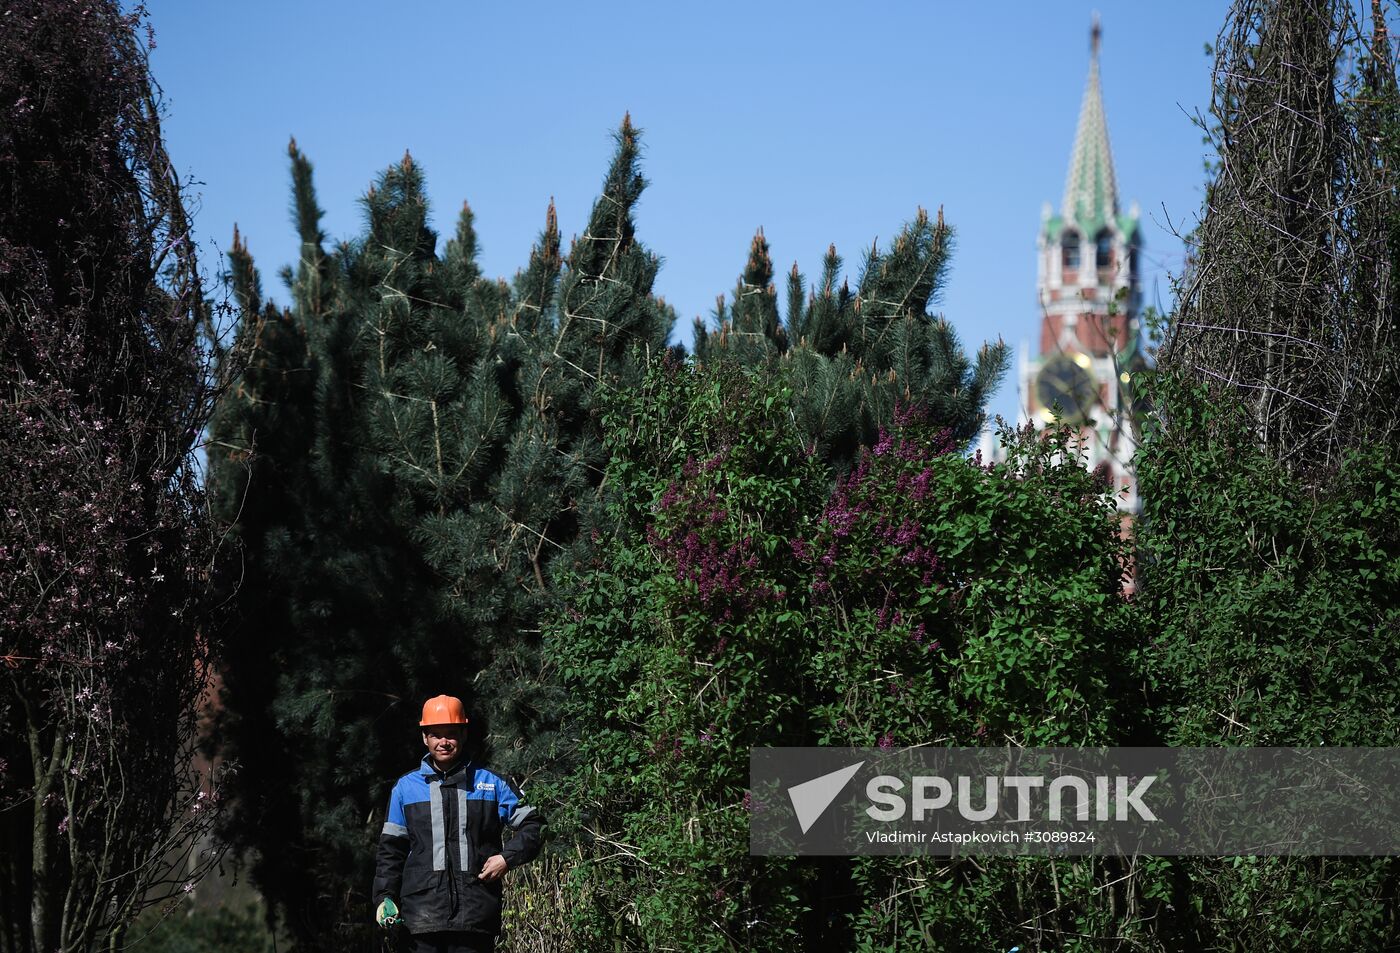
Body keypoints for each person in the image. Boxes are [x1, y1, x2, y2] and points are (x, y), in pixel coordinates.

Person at [372, 695, 545, 953]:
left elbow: (535, 825)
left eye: (451, 734)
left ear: (463, 735)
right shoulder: (404, 789)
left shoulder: (492, 783)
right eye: (436, 735)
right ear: (424, 737)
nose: (443, 742)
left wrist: (507, 858)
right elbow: (391, 851)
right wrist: (384, 897)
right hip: (420, 921)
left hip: (475, 918)